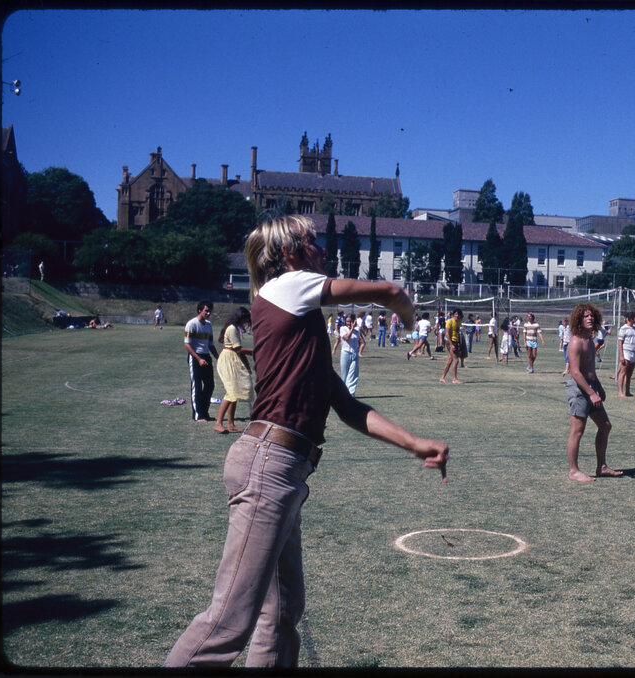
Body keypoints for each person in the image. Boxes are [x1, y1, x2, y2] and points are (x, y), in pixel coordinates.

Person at [164, 215, 448, 668]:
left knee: (279, 616)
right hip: (269, 465)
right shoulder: (288, 286)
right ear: (289, 253)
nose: (321, 249)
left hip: (284, 469)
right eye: (311, 241)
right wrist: (409, 316)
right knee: (228, 624)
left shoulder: (304, 325)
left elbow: (348, 406)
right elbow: (391, 293)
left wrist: (415, 443)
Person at [564, 303, 622, 483]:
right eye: (585, 316)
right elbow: (575, 372)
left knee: (605, 426)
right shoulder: (575, 342)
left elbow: (590, 370)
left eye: (591, 316)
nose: (590, 318)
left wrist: (599, 387)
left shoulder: (590, 340)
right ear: (579, 319)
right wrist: (591, 393)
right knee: (577, 431)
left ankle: (602, 466)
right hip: (580, 390)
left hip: (590, 388)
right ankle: (573, 471)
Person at [214, 307, 253, 434]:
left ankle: (231, 424)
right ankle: (218, 423)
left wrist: (246, 364)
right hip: (228, 360)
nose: (245, 322)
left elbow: (238, 351)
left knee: (234, 392)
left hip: (232, 359)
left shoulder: (234, 328)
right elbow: (239, 349)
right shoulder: (232, 328)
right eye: (244, 319)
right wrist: (255, 352)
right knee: (230, 392)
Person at [184, 300, 219, 422]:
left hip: (206, 356)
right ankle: (198, 415)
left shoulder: (209, 325)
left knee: (210, 385)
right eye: (206, 311)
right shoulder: (191, 324)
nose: (208, 313)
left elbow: (210, 344)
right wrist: (198, 359)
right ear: (200, 310)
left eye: (210, 311)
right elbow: (187, 344)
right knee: (197, 386)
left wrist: (217, 357)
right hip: (195, 357)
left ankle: (204, 412)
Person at [332, 313, 365, 395]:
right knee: (344, 375)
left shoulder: (357, 330)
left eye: (351, 321)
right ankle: (343, 394)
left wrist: (359, 349)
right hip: (345, 353)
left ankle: (351, 395)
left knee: (353, 375)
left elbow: (361, 341)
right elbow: (346, 338)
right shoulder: (343, 328)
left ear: (354, 321)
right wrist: (352, 329)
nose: (349, 323)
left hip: (354, 353)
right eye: (347, 321)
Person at [616, 311, 635, 397]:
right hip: (626, 352)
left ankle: (627, 392)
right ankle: (620, 392)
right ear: (630, 319)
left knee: (629, 374)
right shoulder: (623, 328)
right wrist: (622, 356)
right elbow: (620, 343)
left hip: (633, 353)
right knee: (623, 372)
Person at [440, 308, 465, 384]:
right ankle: (454, 379)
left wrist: (458, 342)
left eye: (458, 314)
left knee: (449, 361)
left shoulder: (459, 322)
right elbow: (447, 333)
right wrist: (451, 344)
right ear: (453, 314)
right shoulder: (449, 321)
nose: (457, 315)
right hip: (450, 342)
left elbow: (457, 332)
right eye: (455, 314)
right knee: (456, 360)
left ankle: (442, 377)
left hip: (455, 342)